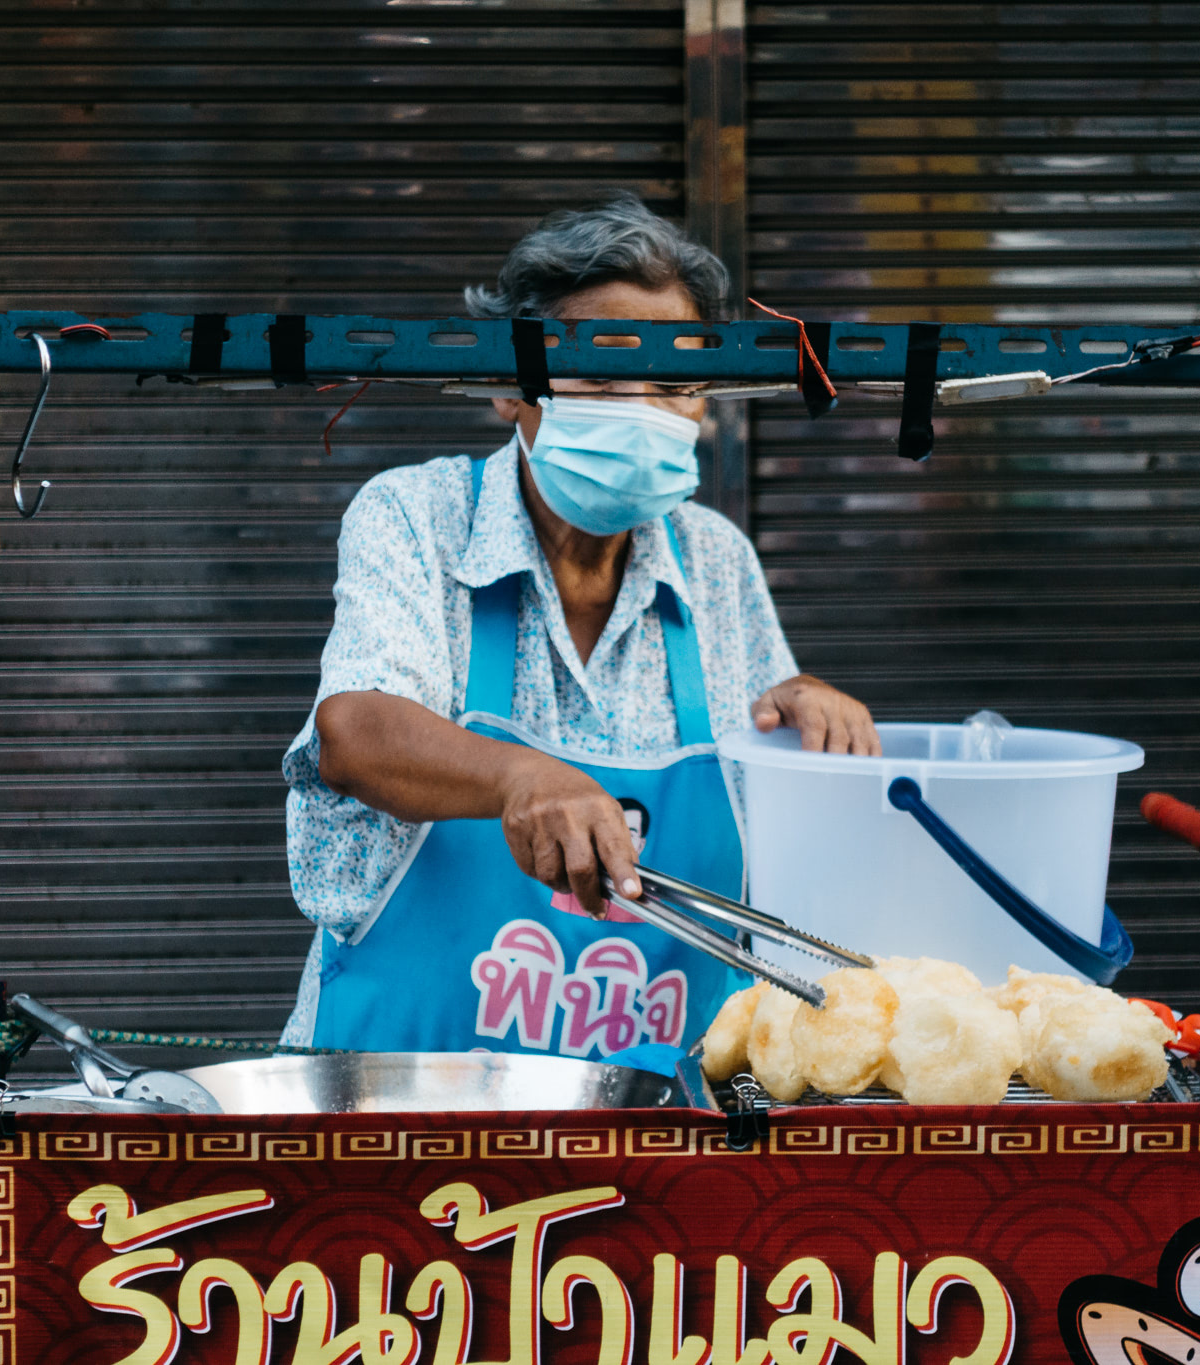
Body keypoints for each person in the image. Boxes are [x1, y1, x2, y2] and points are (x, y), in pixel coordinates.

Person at [280, 193, 879, 1055]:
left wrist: (809, 719)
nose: (641, 410)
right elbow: (357, 734)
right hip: (401, 1118)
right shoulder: (418, 514)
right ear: (507, 387)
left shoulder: (715, 560)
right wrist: (523, 778)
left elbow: (779, 830)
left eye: (675, 386)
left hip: (654, 1131)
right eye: (600, 376)